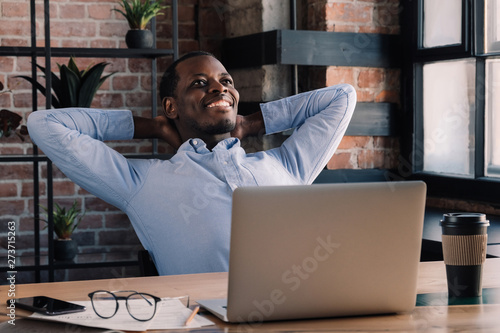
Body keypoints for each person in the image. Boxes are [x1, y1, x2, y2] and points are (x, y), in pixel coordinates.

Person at [27, 51, 357, 275]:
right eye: (200, 83)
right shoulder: (141, 183)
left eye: (226, 81)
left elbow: (342, 96)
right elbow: (44, 124)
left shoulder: (285, 164)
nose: (219, 87)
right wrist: (151, 126)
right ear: (171, 107)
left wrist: (253, 123)